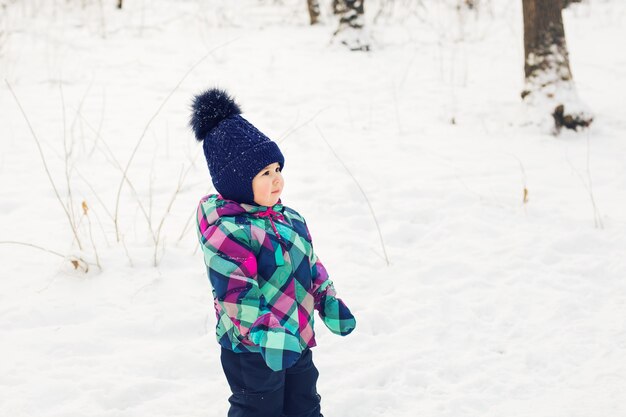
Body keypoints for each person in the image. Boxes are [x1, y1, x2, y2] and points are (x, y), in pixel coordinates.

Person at [190, 88, 356, 417]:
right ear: (237, 181)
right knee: (258, 408)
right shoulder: (228, 233)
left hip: (296, 334)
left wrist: (327, 299)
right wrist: (267, 334)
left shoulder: (290, 218)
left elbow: (311, 265)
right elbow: (236, 296)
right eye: (265, 174)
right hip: (251, 348)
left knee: (305, 404)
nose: (277, 179)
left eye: (277, 169)